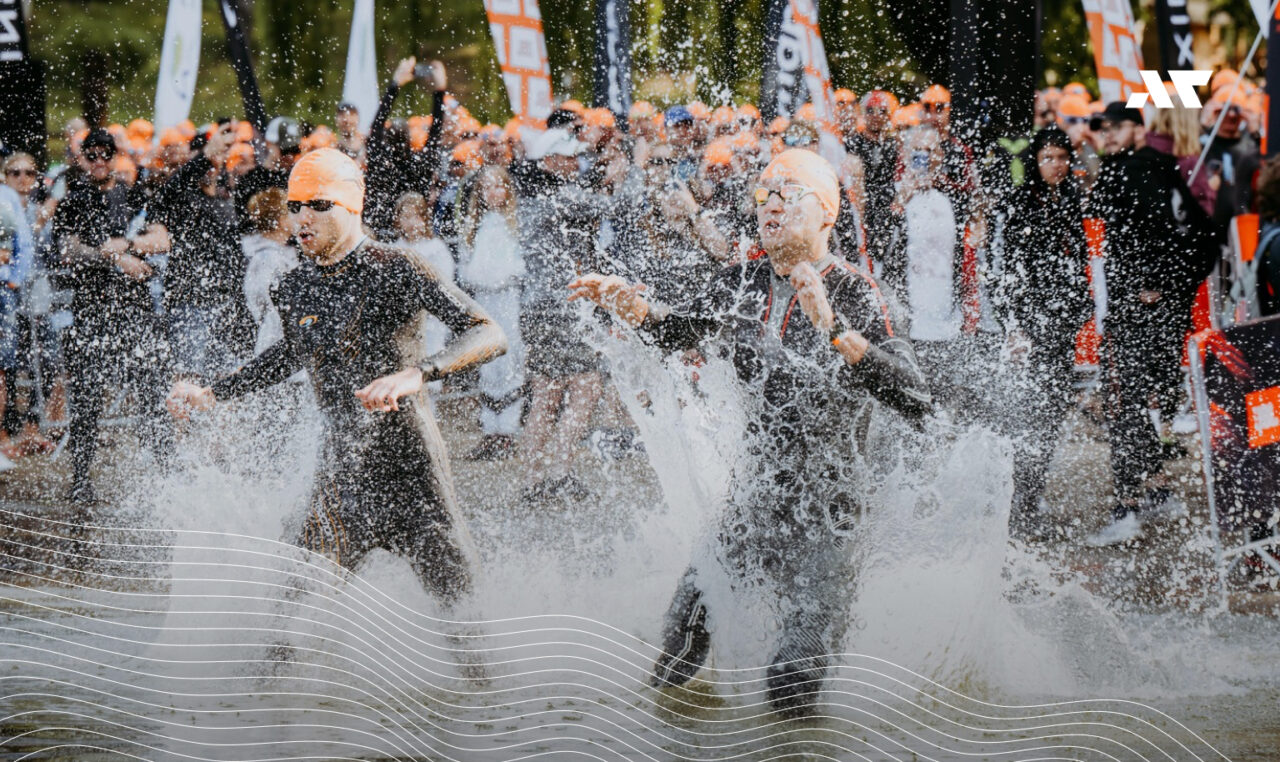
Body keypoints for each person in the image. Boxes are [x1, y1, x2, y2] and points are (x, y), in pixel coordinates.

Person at [568, 149, 931, 718]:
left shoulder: (857, 291)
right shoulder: (741, 282)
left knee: (791, 679)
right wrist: (632, 307)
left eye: (788, 194)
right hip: (757, 499)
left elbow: (916, 397)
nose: (770, 205)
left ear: (827, 212)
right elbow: (676, 332)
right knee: (680, 637)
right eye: (764, 195)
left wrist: (835, 330)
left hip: (830, 513)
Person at [167, 148, 507, 611]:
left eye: (319, 205)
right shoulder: (293, 286)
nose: (303, 218)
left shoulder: (399, 266)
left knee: (465, 621)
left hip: (413, 473)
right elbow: (290, 353)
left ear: (352, 206)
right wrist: (213, 393)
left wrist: (416, 374)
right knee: (286, 618)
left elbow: (489, 332)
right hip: (343, 474)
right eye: (295, 206)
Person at [1086, 103, 1219, 545]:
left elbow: (1181, 232)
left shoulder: (1138, 168)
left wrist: (1155, 283)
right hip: (1152, 312)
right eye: (1102, 128)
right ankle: (1159, 489)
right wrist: (1176, 291)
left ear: (1138, 129)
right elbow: (1201, 236)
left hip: (1139, 311)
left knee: (1123, 403)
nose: (1106, 134)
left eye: (1115, 127)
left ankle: (1126, 508)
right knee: (1133, 402)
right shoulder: (1154, 166)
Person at [51, 128, 173, 506]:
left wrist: (129, 244)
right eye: (92, 155)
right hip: (91, 313)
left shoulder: (135, 195)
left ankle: (167, 475)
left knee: (152, 394)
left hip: (136, 312)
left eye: (106, 154)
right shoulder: (72, 201)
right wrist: (117, 258)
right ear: (83, 159)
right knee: (86, 400)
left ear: (116, 156)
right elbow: (68, 251)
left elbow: (162, 240)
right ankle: (81, 479)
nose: (100, 161)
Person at [993, 128, 1092, 540]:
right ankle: (1019, 505)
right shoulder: (1018, 203)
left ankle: (1032, 499)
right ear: (1034, 161)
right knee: (1029, 415)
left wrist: (1081, 306)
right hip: (1028, 326)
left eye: (1062, 157)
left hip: (1060, 325)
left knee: (1051, 414)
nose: (1056, 165)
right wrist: (1012, 326)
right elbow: (1004, 269)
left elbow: (1080, 258)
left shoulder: (1071, 199)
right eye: (1048, 157)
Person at [458, 166, 527, 461]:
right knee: (487, 362)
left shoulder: (516, 223)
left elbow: (520, 264)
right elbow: (465, 265)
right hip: (484, 299)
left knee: (509, 359)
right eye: (487, 187)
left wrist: (503, 276)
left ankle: (508, 431)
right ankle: (490, 430)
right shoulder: (474, 225)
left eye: (499, 186)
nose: (493, 192)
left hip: (509, 299)